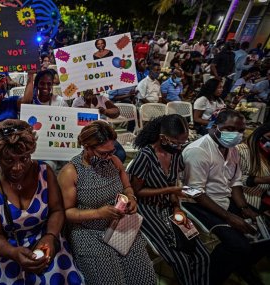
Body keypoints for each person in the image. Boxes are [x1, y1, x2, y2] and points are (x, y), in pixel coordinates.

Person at [0, 119, 83, 285]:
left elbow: (57, 211)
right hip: (7, 251)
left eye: (24, 159)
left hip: (46, 241)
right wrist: (13, 253)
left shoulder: (44, 173)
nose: (18, 167)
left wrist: (50, 237)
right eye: (9, 161)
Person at [58, 121, 156, 285]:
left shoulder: (114, 161)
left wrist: (131, 199)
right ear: (87, 147)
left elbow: (127, 187)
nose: (108, 156)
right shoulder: (71, 172)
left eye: (111, 151)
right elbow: (66, 212)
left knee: (145, 278)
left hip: (120, 228)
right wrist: (98, 213)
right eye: (103, 153)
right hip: (88, 233)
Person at [182, 109, 270, 285]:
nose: (236, 134)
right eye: (230, 128)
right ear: (215, 127)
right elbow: (195, 192)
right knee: (237, 245)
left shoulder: (232, 149)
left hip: (223, 199)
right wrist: (230, 217)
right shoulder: (199, 151)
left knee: (266, 232)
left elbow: (235, 182)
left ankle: (241, 265)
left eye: (240, 130)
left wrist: (244, 208)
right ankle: (206, 278)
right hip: (197, 203)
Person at [127, 114, 210, 285]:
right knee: (181, 261)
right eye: (177, 142)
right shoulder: (146, 156)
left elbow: (173, 183)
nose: (180, 147)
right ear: (163, 138)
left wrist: (177, 206)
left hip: (169, 208)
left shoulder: (175, 155)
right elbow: (136, 192)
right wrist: (171, 190)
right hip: (147, 210)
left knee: (203, 256)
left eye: (183, 143)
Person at [237, 123, 270, 210]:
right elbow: (233, 179)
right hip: (245, 201)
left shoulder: (266, 154)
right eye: (269, 137)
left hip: (260, 202)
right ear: (259, 134)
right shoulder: (242, 151)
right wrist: (263, 180)